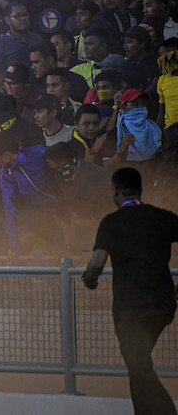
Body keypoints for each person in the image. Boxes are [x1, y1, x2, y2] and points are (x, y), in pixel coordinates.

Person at [83, 168, 178, 415]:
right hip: (162, 305)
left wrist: (89, 280)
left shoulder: (111, 223)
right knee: (138, 364)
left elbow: (96, 264)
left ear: (114, 191)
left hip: (130, 309)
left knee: (138, 366)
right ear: (140, 189)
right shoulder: (163, 217)